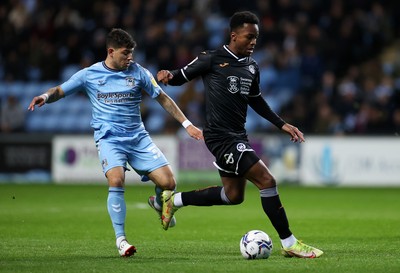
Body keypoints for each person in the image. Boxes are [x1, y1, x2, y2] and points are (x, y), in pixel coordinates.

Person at [157, 11, 323, 258]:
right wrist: (167, 76)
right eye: (249, 37)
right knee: (267, 181)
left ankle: (173, 201)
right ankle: (289, 243)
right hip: (220, 137)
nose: (254, 42)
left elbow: (256, 100)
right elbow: (179, 76)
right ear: (234, 36)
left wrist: (281, 124)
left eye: (256, 37)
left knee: (233, 196)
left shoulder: (252, 67)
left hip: (238, 136)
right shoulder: (211, 58)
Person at [28, 28, 203, 257]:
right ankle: (121, 239)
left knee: (169, 183)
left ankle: (159, 204)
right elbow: (61, 90)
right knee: (117, 179)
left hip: (138, 138)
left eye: (131, 53)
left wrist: (186, 124)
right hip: (110, 139)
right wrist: (45, 96)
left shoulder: (139, 72)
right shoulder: (89, 75)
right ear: (111, 51)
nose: (130, 57)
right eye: (125, 53)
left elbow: (162, 98)